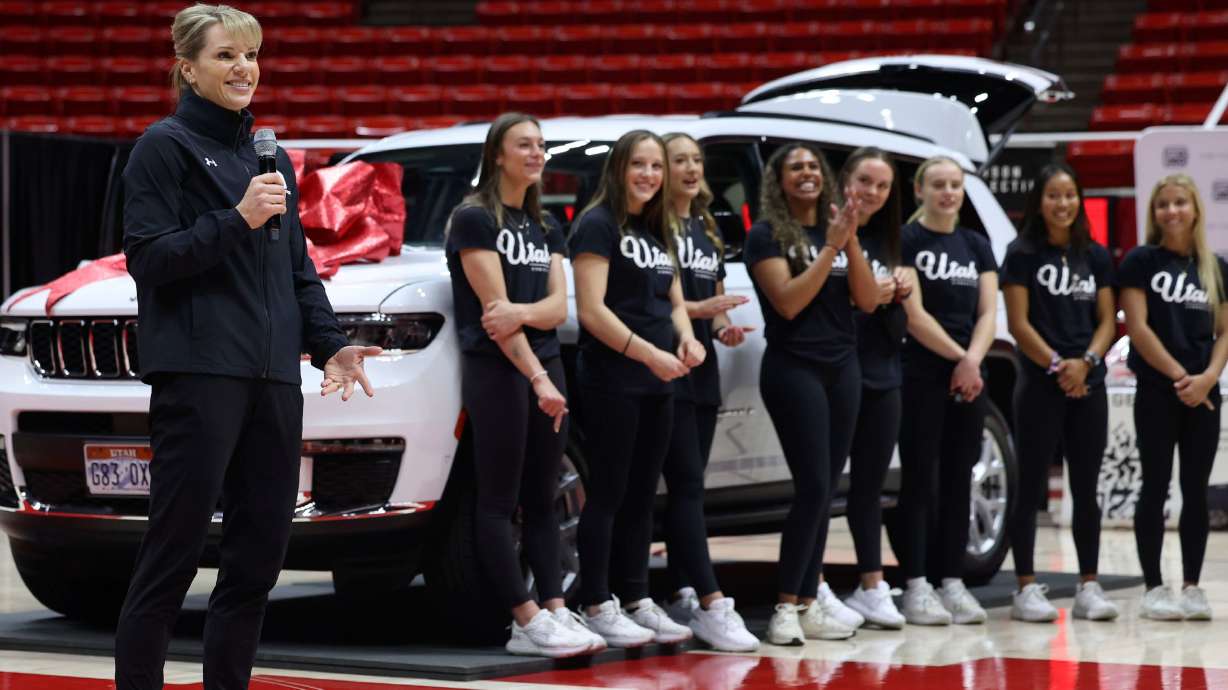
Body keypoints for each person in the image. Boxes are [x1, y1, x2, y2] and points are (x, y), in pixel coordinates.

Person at [115, 5, 379, 688]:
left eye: (253, 55)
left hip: (272, 382)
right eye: (226, 56)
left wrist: (331, 348)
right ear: (189, 68)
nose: (244, 69)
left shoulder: (268, 159)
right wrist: (235, 219)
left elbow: (297, 271)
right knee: (171, 557)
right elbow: (148, 258)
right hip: (200, 375)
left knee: (258, 560)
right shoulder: (162, 147)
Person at [445, 112, 603, 657]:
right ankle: (523, 620)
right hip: (499, 370)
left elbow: (558, 309)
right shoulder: (473, 219)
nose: (537, 154)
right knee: (497, 498)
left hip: (545, 365)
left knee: (542, 496)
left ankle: (556, 608)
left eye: (541, 145)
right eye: (525, 145)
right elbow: (494, 318)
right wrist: (536, 375)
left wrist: (524, 315)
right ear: (497, 155)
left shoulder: (545, 225)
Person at [570, 129, 705, 647]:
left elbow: (673, 302)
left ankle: (636, 597)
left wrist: (688, 339)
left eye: (656, 166)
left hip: (659, 380)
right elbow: (592, 310)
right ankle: (597, 602)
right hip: (613, 378)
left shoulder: (658, 229)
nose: (649, 175)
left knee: (644, 496)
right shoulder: (596, 225)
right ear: (619, 169)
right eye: (639, 165)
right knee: (608, 492)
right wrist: (650, 354)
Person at [743, 143, 878, 645]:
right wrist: (830, 249)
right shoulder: (766, 236)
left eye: (813, 167)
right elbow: (790, 303)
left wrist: (851, 241)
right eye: (794, 167)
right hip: (793, 368)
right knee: (813, 487)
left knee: (827, 491)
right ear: (779, 181)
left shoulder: (838, 232)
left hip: (843, 368)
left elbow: (866, 299)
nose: (806, 173)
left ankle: (806, 603)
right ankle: (784, 606)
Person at [1001, 163, 1119, 623]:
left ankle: (1089, 584)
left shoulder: (1096, 255)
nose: (1063, 203)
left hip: (1088, 382)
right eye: (1053, 195)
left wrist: (1085, 364)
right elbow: (1018, 323)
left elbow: (1108, 320)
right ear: (1039, 202)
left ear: (1079, 200)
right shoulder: (1021, 253)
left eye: (1070, 195)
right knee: (1030, 486)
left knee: (1085, 488)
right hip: (1039, 384)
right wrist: (1056, 365)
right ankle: (1026, 587)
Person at [657, 132, 759, 652]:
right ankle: (710, 600)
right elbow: (663, 305)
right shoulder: (656, 228)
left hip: (704, 370)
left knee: (690, 485)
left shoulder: (707, 226)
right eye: (680, 160)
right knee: (685, 488)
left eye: (697, 160)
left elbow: (711, 305)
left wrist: (724, 329)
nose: (692, 169)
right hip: (665, 367)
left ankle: (680, 590)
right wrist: (700, 315)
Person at [1119, 173, 1226, 621]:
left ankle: (1192, 586)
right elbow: (1138, 329)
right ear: (1154, 212)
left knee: (1195, 493)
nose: (1171, 211)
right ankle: (1153, 589)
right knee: (1155, 487)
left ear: (1195, 209)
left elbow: (1224, 332)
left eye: (1180, 202)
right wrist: (1183, 377)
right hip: (1159, 393)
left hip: (1205, 395)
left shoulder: (1215, 266)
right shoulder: (1142, 260)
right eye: (1163, 204)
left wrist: (1207, 378)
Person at [896, 156, 997, 626]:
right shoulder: (906, 240)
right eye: (938, 185)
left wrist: (972, 360)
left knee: (959, 478)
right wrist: (960, 358)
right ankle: (916, 584)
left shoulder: (976, 244)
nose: (948, 193)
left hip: (968, 375)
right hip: (921, 371)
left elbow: (988, 313)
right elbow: (914, 317)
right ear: (920, 190)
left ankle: (952, 581)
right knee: (919, 480)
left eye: (955, 185)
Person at [837, 147, 912, 630]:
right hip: (839, 367)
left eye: (882, 186)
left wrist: (901, 286)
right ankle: (811, 585)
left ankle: (871, 583)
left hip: (884, 369)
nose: (872, 193)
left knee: (870, 483)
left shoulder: (889, 239)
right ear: (846, 180)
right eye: (865, 181)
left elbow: (893, 308)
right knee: (822, 484)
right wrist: (869, 293)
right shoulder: (829, 231)